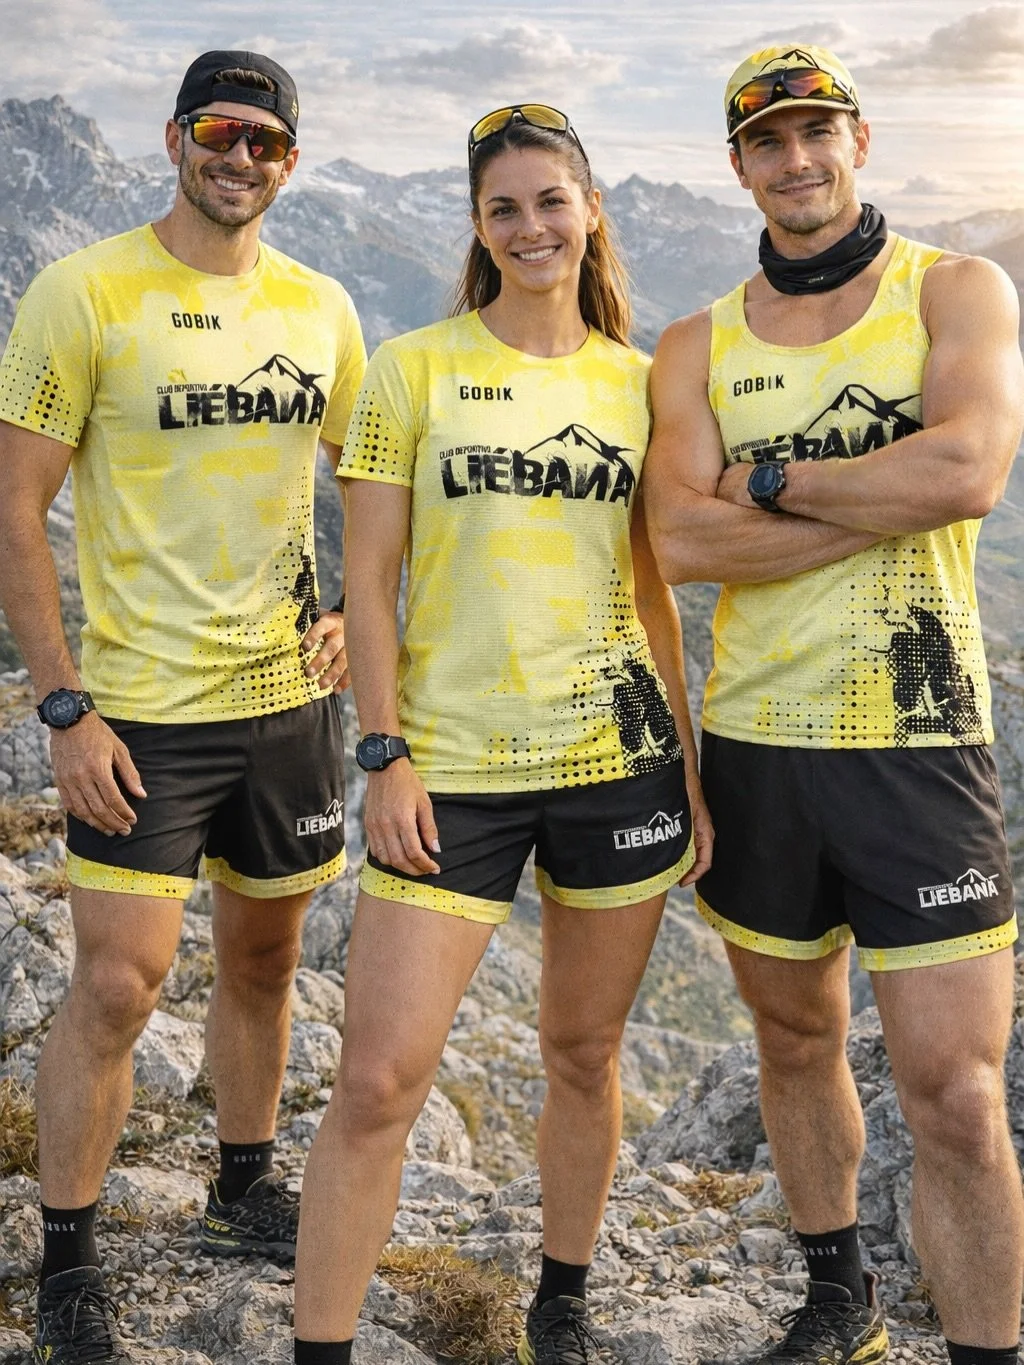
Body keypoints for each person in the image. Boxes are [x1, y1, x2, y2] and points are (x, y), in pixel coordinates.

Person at [291, 104, 713, 1365]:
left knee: (583, 1053)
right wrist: (381, 753)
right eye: (503, 209)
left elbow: (654, 595)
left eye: (550, 201)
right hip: (450, 772)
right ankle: (320, 1347)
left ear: (590, 212)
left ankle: (562, 1306)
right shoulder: (411, 369)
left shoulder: (640, 384)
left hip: (616, 766)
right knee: (378, 1081)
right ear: (478, 229)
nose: (531, 228)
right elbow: (368, 585)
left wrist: (688, 769)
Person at [644, 43, 1024, 1365]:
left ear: (857, 139)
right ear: (737, 164)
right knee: (796, 1040)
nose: (796, 159)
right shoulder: (696, 344)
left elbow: (968, 471)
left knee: (955, 1094)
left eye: (817, 132)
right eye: (768, 140)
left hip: (921, 741)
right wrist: (878, 489)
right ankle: (837, 1303)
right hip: (758, 745)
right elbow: (677, 543)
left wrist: (768, 484)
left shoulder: (953, 289)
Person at [0, 49, 366, 1365]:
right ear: (174, 139)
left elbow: (371, 480)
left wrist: (353, 611)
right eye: (220, 131)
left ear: (289, 163)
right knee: (117, 983)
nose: (241, 157)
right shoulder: (83, 292)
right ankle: (69, 1261)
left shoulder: (322, 307)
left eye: (266, 141)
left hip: (289, 704)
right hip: (141, 710)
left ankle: (239, 1186)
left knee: (266, 963)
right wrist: (64, 706)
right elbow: (15, 508)